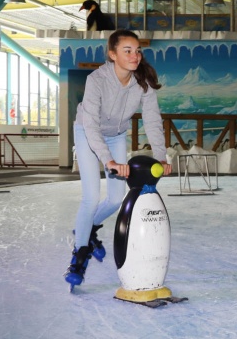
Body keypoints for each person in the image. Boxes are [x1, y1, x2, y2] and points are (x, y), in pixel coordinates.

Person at [66, 29, 172, 288]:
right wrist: (108, 161)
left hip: (115, 136)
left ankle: (86, 230)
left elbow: (152, 121)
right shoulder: (97, 80)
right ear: (112, 54)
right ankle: (80, 255)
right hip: (86, 133)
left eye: (137, 51)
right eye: (127, 50)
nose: (135, 55)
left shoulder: (142, 82)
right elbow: (90, 125)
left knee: (115, 198)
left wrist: (160, 157)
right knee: (91, 197)